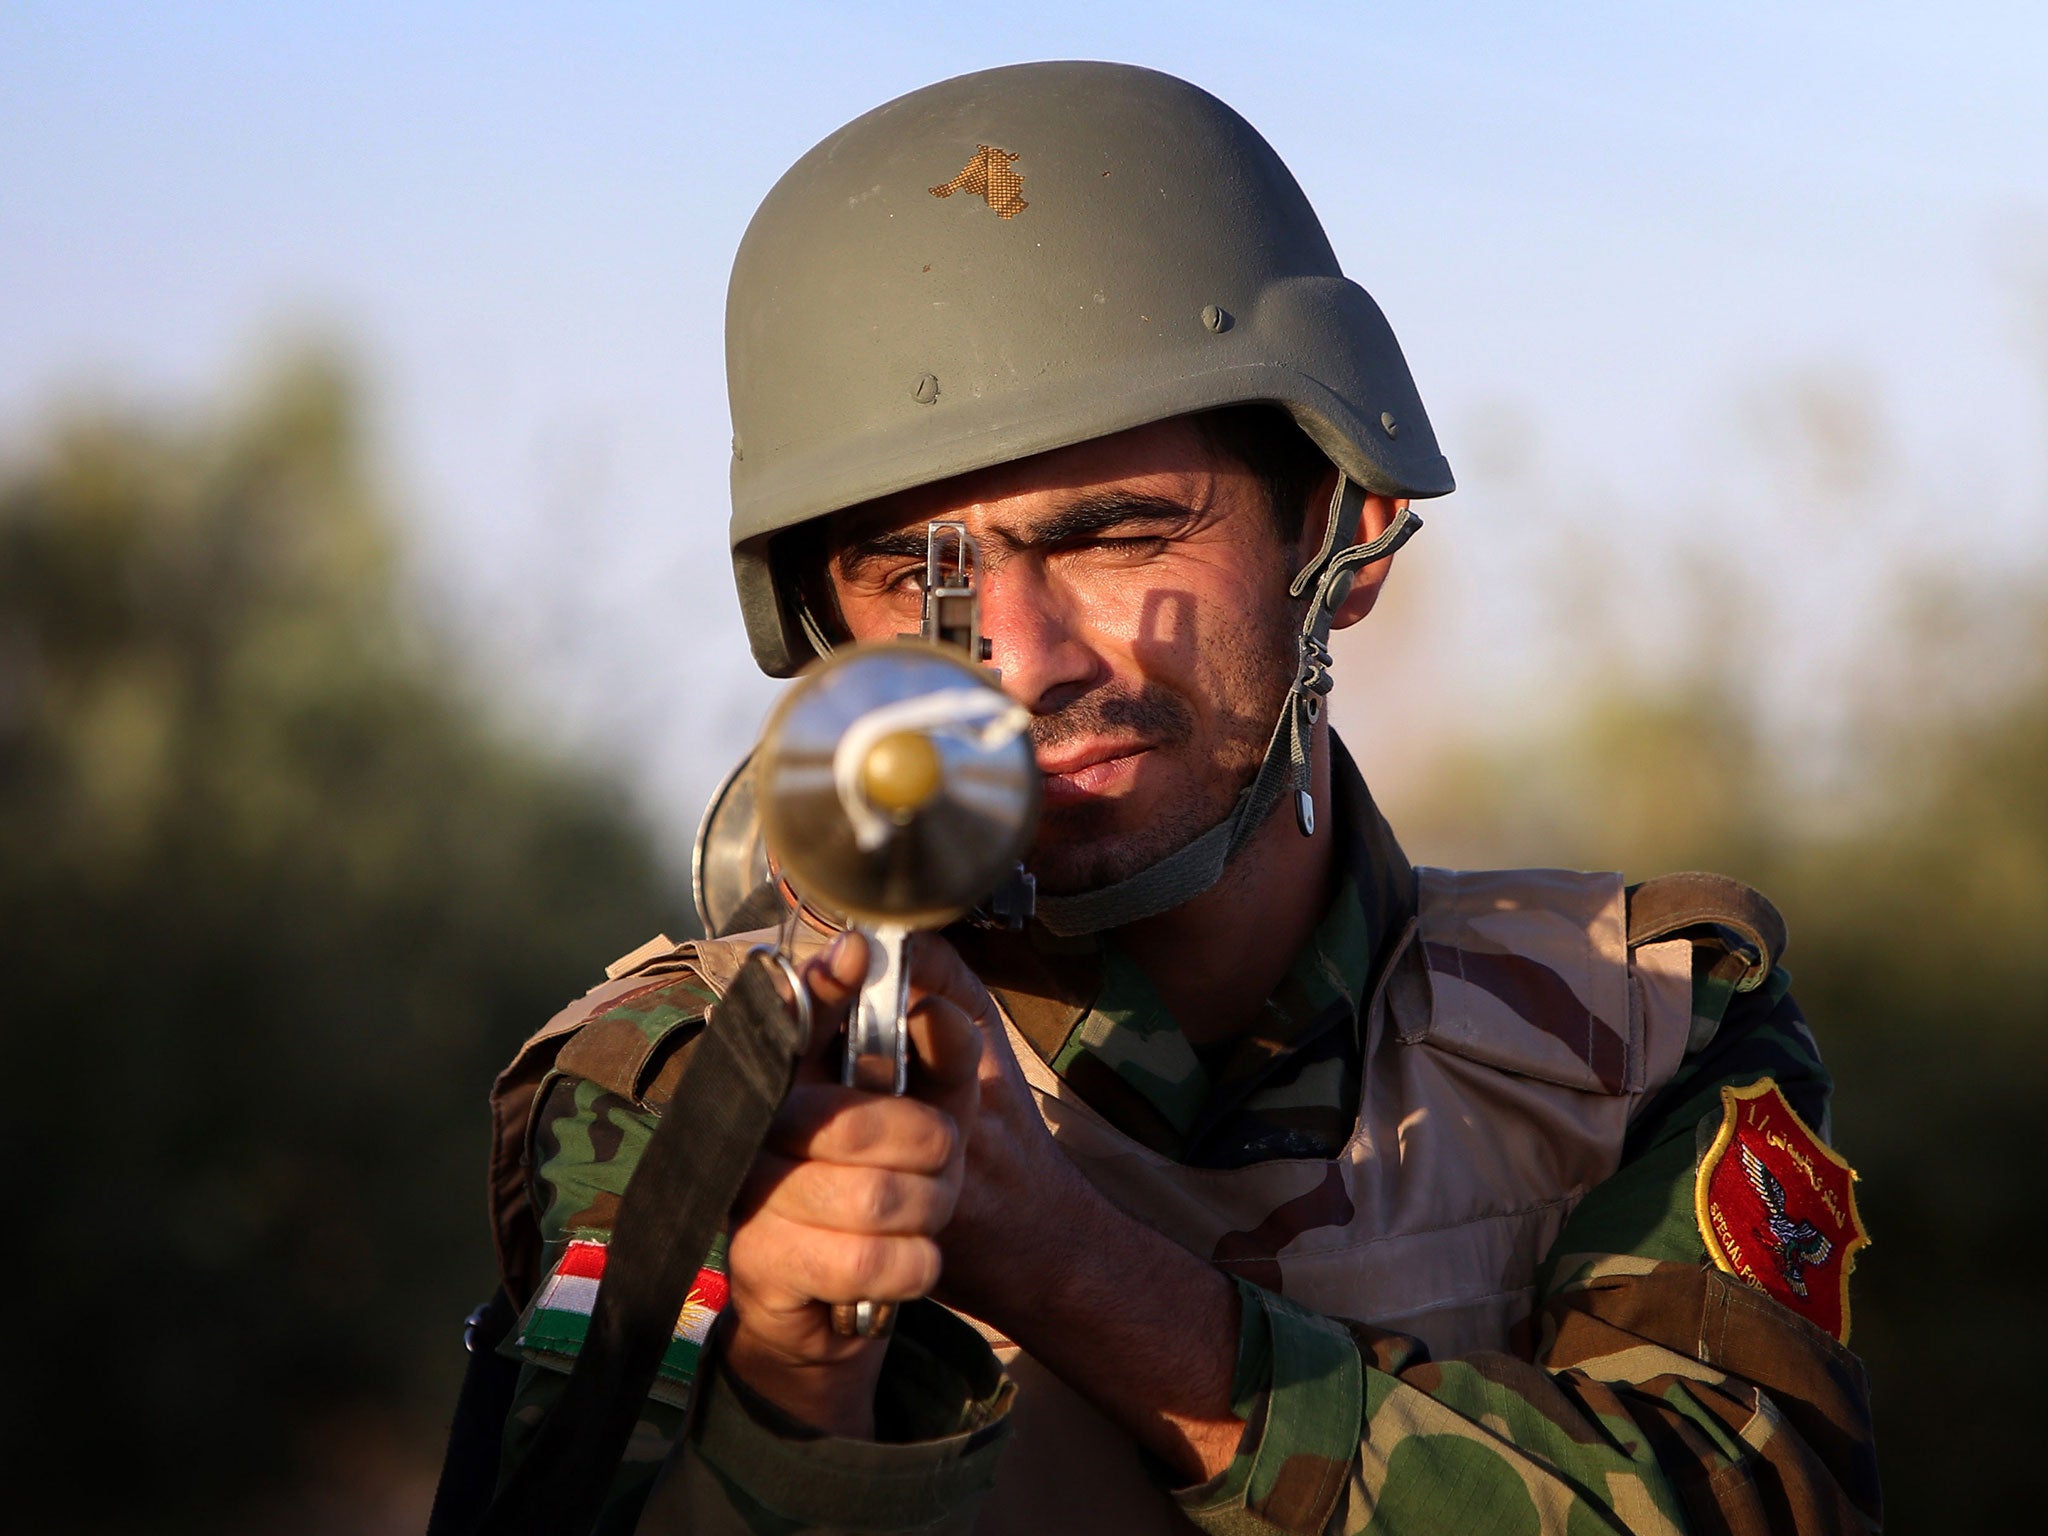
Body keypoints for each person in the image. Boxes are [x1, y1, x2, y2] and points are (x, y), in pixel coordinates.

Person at [479, 61, 1880, 1534]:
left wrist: (1068, 1266)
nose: (1016, 663)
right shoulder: (700, 1076)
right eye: (918, 578)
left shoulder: (1638, 1027)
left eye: (1118, 535)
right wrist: (788, 1389)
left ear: (1350, 530)